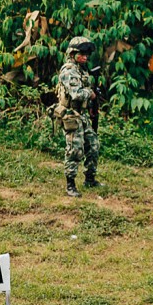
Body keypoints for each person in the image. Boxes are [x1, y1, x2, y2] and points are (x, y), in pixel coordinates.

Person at [55, 36, 100, 197]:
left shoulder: (81, 69)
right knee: (74, 150)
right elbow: (76, 94)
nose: (85, 56)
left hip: (82, 115)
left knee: (93, 145)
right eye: (82, 53)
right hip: (71, 115)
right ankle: (70, 184)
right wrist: (91, 93)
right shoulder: (69, 70)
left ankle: (90, 178)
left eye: (87, 54)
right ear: (73, 53)